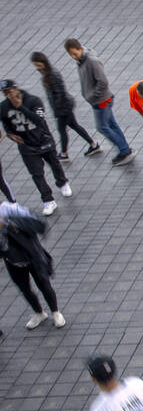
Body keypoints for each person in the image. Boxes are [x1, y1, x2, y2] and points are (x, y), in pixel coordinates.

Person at [0, 81, 71, 216]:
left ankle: (62, 182)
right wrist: (10, 134)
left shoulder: (33, 101)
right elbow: (5, 122)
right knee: (37, 174)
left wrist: (20, 107)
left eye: (9, 91)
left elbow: (39, 120)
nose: (7, 95)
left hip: (43, 140)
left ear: (16, 89)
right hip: (26, 146)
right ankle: (48, 200)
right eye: (5, 93)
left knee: (54, 164)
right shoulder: (3, 107)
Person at [63, 39, 135, 165]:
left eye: (75, 53)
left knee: (102, 127)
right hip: (98, 100)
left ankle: (124, 150)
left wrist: (92, 96)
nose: (74, 57)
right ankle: (125, 149)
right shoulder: (81, 61)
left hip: (101, 100)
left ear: (80, 48)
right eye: (71, 55)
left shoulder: (91, 61)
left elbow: (103, 82)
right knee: (112, 125)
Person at [0, 201, 65, 329]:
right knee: (25, 289)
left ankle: (56, 312)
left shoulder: (6, 209)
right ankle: (39, 313)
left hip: (32, 255)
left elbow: (36, 221)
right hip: (13, 261)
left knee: (43, 283)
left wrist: (9, 224)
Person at [29, 52, 100, 162]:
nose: (37, 68)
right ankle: (93, 144)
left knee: (62, 130)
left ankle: (64, 153)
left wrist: (57, 110)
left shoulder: (52, 75)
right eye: (36, 66)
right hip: (64, 106)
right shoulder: (47, 72)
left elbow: (59, 93)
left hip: (63, 108)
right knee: (74, 126)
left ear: (43, 62)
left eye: (38, 65)